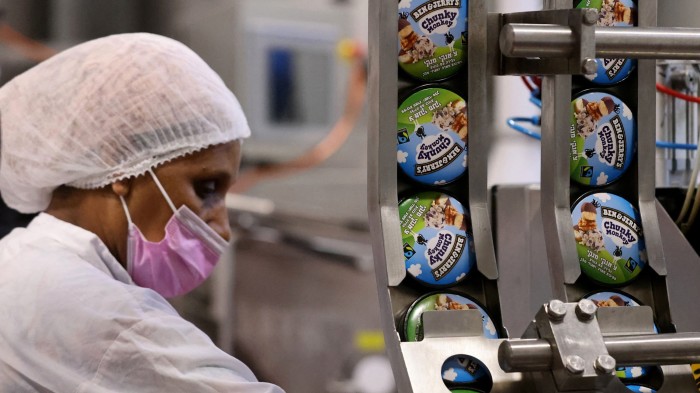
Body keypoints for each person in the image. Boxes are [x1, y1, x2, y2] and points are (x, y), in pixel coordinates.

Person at [0, 33, 284, 392]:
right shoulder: (95, 311)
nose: (223, 229)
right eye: (206, 189)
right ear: (122, 170)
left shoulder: (21, 259)